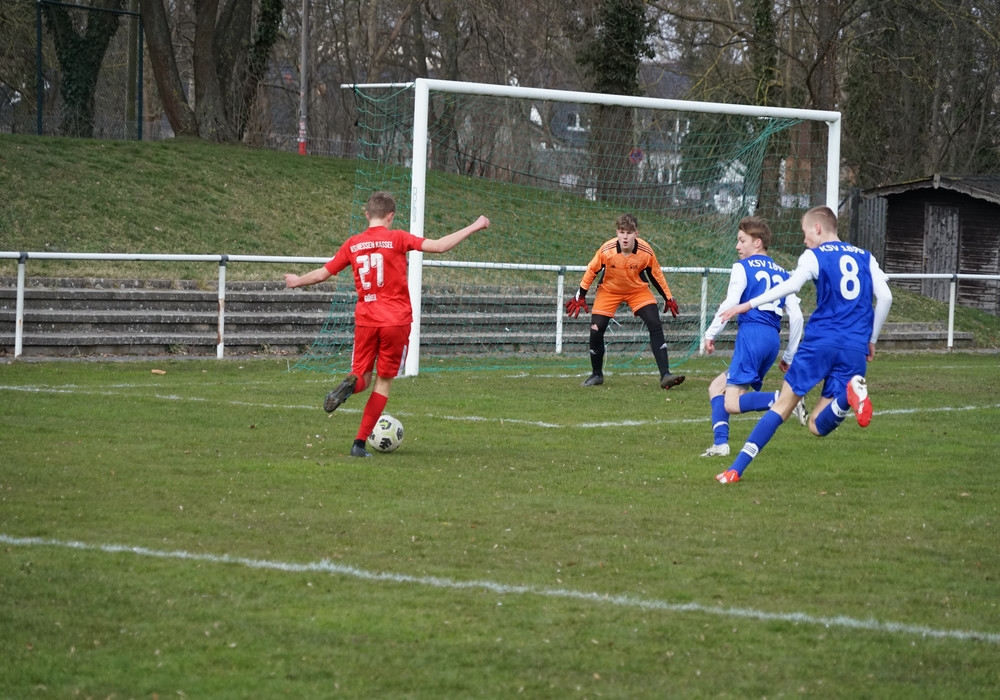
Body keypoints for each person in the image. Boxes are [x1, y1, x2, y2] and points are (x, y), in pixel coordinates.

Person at [284, 191, 490, 457]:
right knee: (382, 383)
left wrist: (297, 280)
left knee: (362, 377)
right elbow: (439, 246)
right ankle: (358, 444)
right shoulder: (398, 238)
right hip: (395, 321)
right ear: (391, 216)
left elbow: (322, 274)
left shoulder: (353, 244)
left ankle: (350, 387)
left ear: (366, 214)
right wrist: (475, 225)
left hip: (366, 321)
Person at [714, 205, 893, 483]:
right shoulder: (865, 257)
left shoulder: (814, 255)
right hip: (854, 348)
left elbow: (791, 286)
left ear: (817, 228)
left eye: (805, 232)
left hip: (820, 343)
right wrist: (871, 339)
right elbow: (886, 298)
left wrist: (747, 304)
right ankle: (849, 396)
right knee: (817, 425)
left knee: (782, 407)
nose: (804, 239)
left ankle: (735, 469)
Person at [701, 216, 805, 458]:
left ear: (757, 243)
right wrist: (789, 355)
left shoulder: (742, 267)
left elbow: (731, 302)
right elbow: (797, 317)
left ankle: (786, 399)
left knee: (731, 403)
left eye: (741, 240)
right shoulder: (784, 273)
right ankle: (720, 444)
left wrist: (710, 333)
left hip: (752, 336)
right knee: (716, 387)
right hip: (771, 341)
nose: (737, 246)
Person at [565, 213, 685, 389]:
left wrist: (668, 297)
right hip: (609, 290)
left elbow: (656, 274)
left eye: (629, 232)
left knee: (655, 323)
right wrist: (580, 296)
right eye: (622, 232)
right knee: (596, 329)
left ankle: (666, 375)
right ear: (617, 233)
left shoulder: (645, 251)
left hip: (637, 290)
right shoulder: (607, 250)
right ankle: (596, 375)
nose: (625, 237)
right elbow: (592, 270)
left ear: (636, 233)